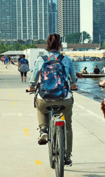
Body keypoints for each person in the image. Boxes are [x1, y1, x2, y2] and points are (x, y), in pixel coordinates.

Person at [28, 34, 78, 165]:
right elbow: (73, 78)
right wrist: (73, 84)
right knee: (68, 126)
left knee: (40, 107)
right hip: (64, 98)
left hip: (45, 98)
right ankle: (67, 156)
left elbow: (33, 78)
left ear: (47, 47)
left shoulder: (41, 59)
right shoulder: (66, 60)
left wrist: (32, 87)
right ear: (60, 46)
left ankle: (43, 129)